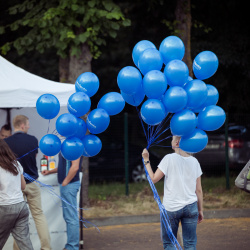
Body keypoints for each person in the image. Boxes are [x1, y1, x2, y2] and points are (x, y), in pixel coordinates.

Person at [142, 135, 204, 250]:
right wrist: (200, 210)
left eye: (172, 139)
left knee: (169, 243)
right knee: (190, 244)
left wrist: (146, 160)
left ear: (177, 143)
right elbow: (199, 190)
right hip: (191, 207)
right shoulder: (195, 161)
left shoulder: (168, 158)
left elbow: (154, 178)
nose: (170, 141)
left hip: (171, 208)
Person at [5, 115, 51, 250]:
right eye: (28, 124)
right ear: (23, 125)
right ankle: (46, 247)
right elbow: (35, 157)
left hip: (16, 186)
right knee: (38, 215)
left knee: (18, 220)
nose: (29, 126)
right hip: (33, 183)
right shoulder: (33, 140)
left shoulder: (7, 142)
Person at [42, 152, 81, 250]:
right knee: (69, 217)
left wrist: (65, 182)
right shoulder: (66, 146)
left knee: (71, 217)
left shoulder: (74, 145)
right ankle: (71, 246)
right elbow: (62, 167)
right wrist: (50, 171)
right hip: (68, 185)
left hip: (69, 185)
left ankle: (72, 247)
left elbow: (75, 167)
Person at [0, 139, 33, 250]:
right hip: (21, 206)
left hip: (4, 208)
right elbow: (23, 186)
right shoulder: (16, 163)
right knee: (25, 245)